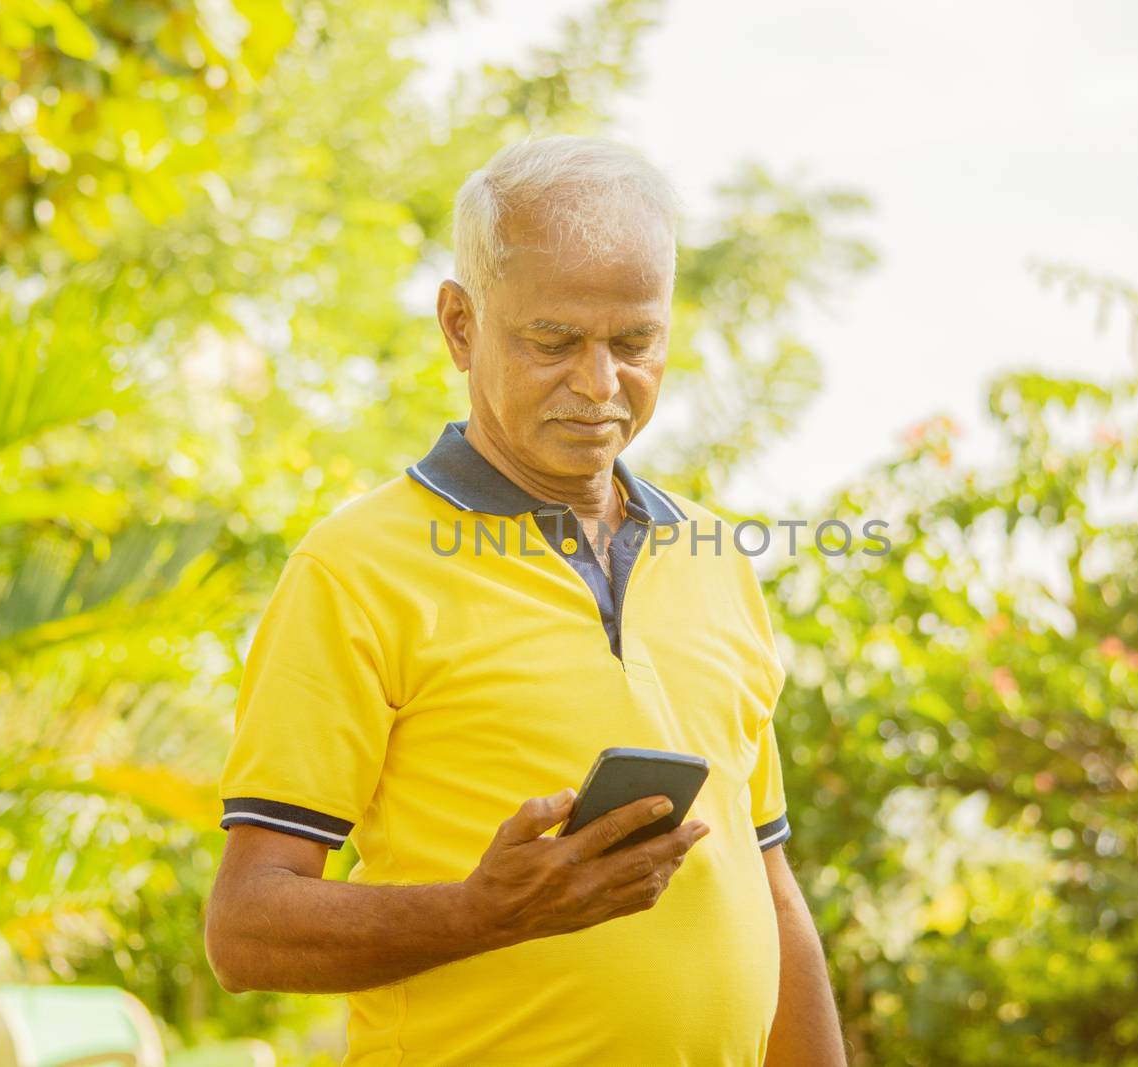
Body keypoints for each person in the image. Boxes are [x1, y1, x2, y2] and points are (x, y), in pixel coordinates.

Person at [203, 134, 847, 1066]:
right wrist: (482, 911)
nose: (599, 385)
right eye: (553, 340)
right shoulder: (355, 567)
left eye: (635, 343)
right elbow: (246, 930)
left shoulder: (714, 559)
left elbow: (768, 885)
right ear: (459, 325)